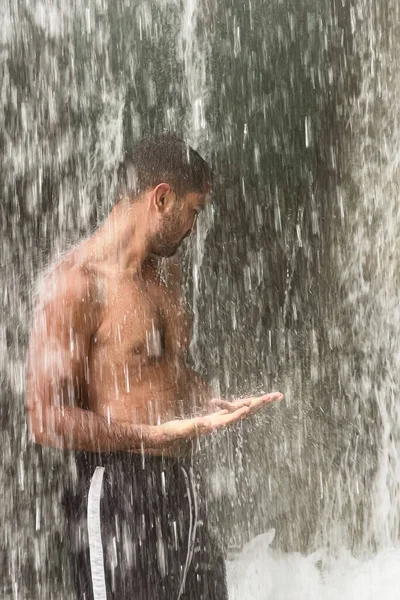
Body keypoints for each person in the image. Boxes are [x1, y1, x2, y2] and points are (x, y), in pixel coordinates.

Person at [25, 134, 283, 600]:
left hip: (182, 488)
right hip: (118, 494)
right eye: (194, 210)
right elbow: (45, 418)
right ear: (161, 198)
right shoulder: (75, 284)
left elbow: (162, 371)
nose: (194, 226)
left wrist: (207, 398)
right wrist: (153, 436)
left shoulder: (166, 273)